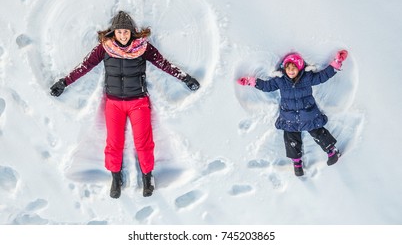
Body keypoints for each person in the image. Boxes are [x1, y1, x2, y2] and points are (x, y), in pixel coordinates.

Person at [50, 11, 200, 197]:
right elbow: (85, 66)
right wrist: (64, 82)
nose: (123, 36)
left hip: (138, 102)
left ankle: (147, 177)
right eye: (119, 32)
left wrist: (186, 79)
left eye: (126, 32)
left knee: (143, 142)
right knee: (114, 143)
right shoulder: (104, 48)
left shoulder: (143, 48)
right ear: (114, 32)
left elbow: (164, 64)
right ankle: (115, 178)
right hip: (114, 104)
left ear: (132, 32)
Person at [237, 50, 348, 176]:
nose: (291, 71)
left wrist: (336, 63)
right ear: (284, 69)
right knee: (291, 138)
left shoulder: (307, 78)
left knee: (318, 131)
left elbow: (322, 76)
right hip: (289, 117)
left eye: (294, 68)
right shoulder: (280, 80)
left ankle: (331, 152)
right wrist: (250, 81)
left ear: (300, 67)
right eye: (288, 68)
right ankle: (297, 163)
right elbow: (267, 86)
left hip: (308, 113)